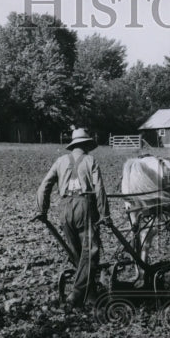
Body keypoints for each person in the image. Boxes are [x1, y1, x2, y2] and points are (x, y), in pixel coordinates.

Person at [36, 128, 111, 307]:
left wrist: (41, 209)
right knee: (91, 253)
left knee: (77, 254)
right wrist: (105, 214)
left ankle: (90, 294)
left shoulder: (60, 161)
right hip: (84, 206)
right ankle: (76, 294)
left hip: (65, 208)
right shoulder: (90, 161)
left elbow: (44, 185)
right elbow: (99, 189)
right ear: (85, 145)